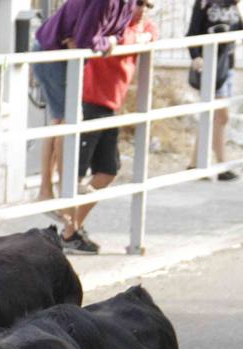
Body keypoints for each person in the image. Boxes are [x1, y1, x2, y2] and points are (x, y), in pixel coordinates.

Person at [59, 0, 158, 254]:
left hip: (111, 104)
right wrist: (140, 37)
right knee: (77, 174)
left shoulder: (141, 26)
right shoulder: (115, 26)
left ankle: (72, 229)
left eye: (147, 5)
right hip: (92, 100)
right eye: (139, 5)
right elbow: (120, 41)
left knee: (108, 170)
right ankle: (68, 233)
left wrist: (144, 35)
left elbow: (151, 33)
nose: (143, 10)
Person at [31, 0, 141, 217]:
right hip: (52, 51)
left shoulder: (127, 4)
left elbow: (115, 35)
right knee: (68, 120)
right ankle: (60, 190)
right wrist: (103, 42)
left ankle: (54, 191)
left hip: (69, 56)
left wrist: (106, 41)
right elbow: (86, 41)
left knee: (63, 120)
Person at [186, 0, 243, 181]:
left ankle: (195, 164)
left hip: (226, 68)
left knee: (213, 116)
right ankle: (220, 165)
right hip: (209, 67)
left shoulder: (232, 6)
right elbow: (191, 33)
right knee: (220, 116)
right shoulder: (205, 3)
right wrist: (196, 57)